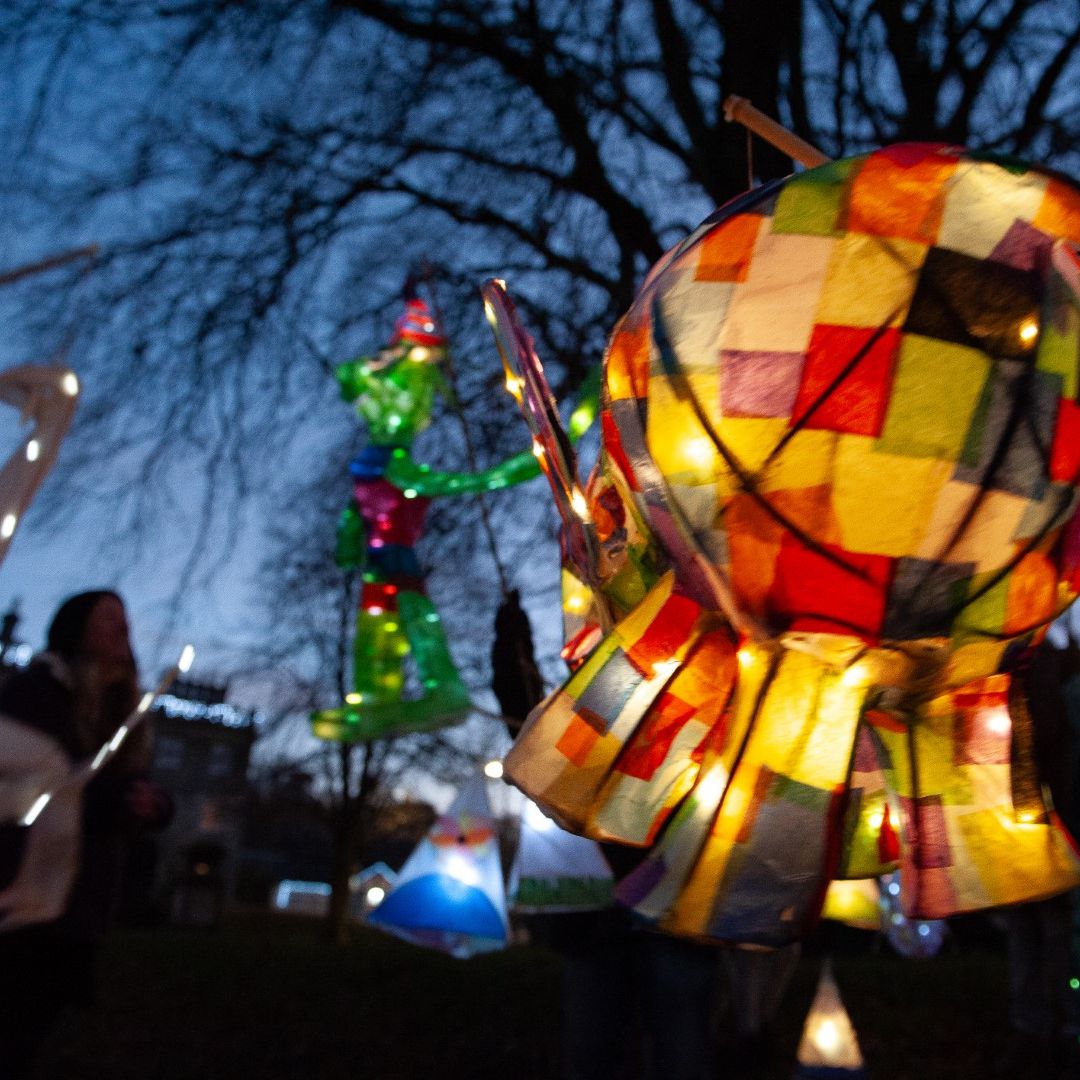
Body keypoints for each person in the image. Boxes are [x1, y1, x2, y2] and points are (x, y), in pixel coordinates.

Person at [0, 591, 172, 1079]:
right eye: (107, 619)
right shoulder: (36, 696)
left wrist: (151, 805)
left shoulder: (124, 714)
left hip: (73, 909)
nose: (123, 630)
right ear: (76, 630)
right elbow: (40, 787)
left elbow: (119, 788)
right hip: (21, 906)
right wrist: (105, 800)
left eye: (125, 619)